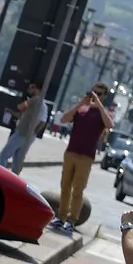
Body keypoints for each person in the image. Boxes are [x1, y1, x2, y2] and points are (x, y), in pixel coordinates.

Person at [51, 82, 113, 235]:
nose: (95, 95)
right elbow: (64, 119)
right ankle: (61, 217)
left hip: (86, 156)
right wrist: (81, 103)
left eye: (99, 94)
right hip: (71, 151)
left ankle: (72, 221)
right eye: (93, 92)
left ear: (104, 97)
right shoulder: (82, 108)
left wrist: (98, 104)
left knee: (78, 189)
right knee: (65, 186)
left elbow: (109, 125)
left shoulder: (102, 112)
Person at [0, 82, 42, 174]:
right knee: (17, 160)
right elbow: (22, 115)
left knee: (4, 155)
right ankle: (14, 180)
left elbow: (20, 107)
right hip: (28, 134)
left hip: (22, 132)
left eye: (31, 88)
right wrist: (12, 112)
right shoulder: (38, 103)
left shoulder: (35, 100)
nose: (29, 90)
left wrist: (24, 101)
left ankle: (1, 175)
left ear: (37, 89)